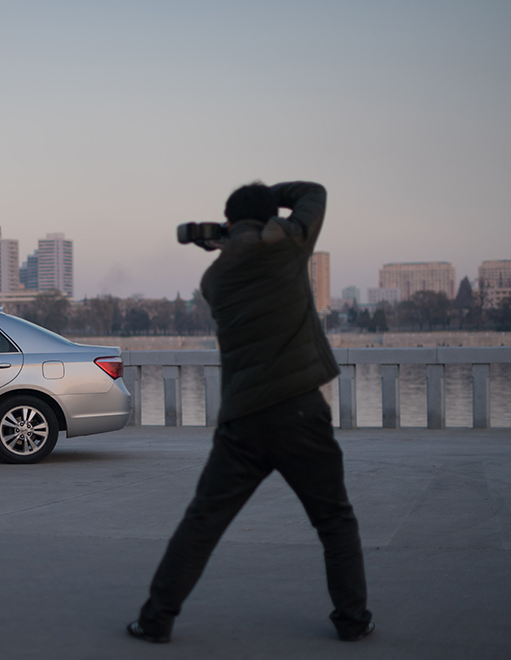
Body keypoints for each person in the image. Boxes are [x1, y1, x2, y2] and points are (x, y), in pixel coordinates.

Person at [128, 181, 374, 643]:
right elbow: (313, 193)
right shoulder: (288, 246)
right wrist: (269, 199)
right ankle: (353, 621)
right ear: (268, 216)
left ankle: (155, 619)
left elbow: (243, 263)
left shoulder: (213, 279)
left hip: (242, 419)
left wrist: (230, 239)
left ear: (228, 224)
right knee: (334, 520)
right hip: (300, 412)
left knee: (203, 522)